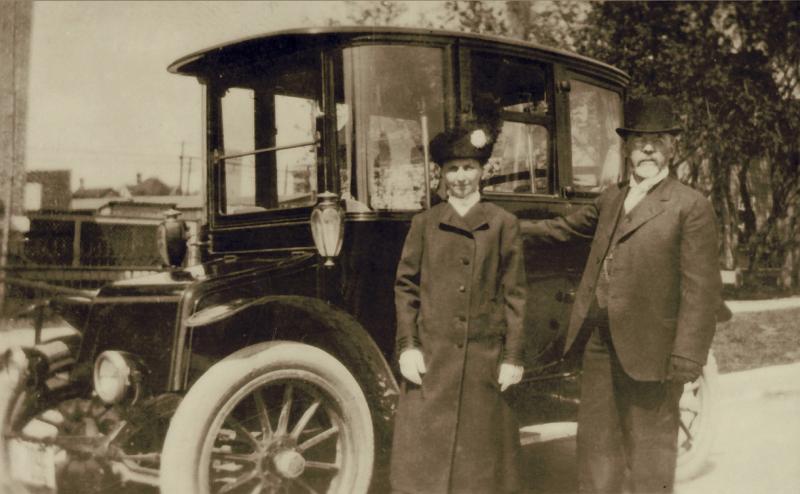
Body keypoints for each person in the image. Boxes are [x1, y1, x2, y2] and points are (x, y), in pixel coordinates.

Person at [525, 95, 722, 493]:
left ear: (672, 146)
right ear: (627, 147)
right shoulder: (611, 198)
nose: (648, 147)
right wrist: (496, 227)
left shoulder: (690, 206)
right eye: (639, 139)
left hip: (655, 347)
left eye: (658, 139)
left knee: (650, 454)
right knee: (597, 446)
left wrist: (688, 355)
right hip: (600, 342)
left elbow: (702, 290)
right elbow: (561, 230)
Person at [390, 121, 527, 494]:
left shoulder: (503, 224)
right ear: (442, 174)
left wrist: (512, 357)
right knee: (425, 466)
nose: (461, 177)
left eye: (469, 168)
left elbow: (515, 295)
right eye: (453, 169)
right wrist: (408, 347)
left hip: (484, 361)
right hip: (432, 363)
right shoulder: (424, 224)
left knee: (480, 467)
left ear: (483, 171)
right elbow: (406, 289)